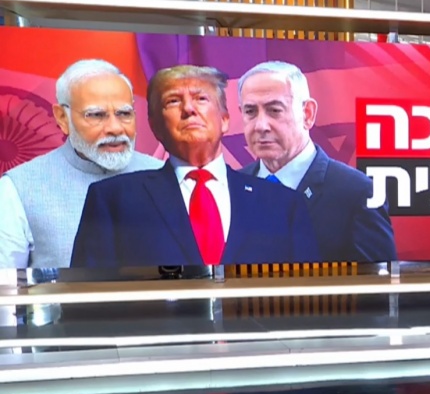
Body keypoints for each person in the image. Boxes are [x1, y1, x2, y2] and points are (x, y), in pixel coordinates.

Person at [70, 65, 320, 268]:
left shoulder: (284, 204)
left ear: (225, 119)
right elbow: (90, 299)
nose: (188, 109)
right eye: (173, 101)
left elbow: (308, 297)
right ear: (155, 126)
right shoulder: (112, 201)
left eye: (201, 98)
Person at [0, 59, 163, 269]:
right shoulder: (17, 188)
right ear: (62, 118)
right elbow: (6, 285)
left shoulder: (164, 177)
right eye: (96, 115)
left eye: (124, 113)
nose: (115, 128)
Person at [237, 61, 397, 263]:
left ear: (307, 114)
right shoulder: (230, 190)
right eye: (250, 112)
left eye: (275, 110)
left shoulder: (357, 194)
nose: (261, 126)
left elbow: (378, 281)